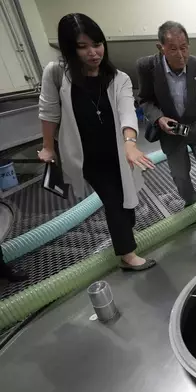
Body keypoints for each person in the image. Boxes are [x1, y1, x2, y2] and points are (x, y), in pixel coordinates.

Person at [38, 13, 156, 271]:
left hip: (120, 151)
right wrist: (48, 147)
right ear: (70, 49)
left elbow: (127, 111)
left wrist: (130, 142)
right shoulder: (57, 73)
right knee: (114, 199)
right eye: (83, 47)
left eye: (97, 44)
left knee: (128, 201)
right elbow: (48, 113)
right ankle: (127, 255)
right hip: (87, 155)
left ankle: (125, 233)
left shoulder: (118, 78)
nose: (93, 52)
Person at [137, 21, 196, 233]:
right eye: (173, 49)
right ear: (160, 48)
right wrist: (159, 118)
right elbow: (144, 100)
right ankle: (193, 208)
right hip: (171, 132)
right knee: (180, 176)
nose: (181, 54)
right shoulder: (147, 67)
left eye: (184, 47)